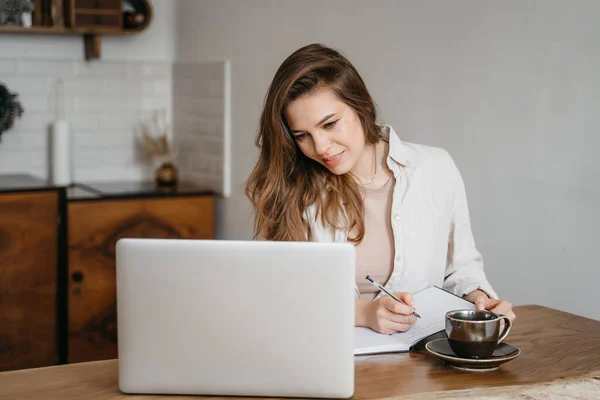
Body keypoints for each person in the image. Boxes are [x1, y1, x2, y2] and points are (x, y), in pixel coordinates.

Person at [245, 43, 515, 335]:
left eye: (330, 124)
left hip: (422, 363)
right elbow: (282, 294)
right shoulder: (292, 189)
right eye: (302, 136)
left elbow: (461, 269)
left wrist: (480, 299)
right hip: (323, 359)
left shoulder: (435, 169)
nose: (321, 147)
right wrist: (362, 313)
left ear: (360, 105)